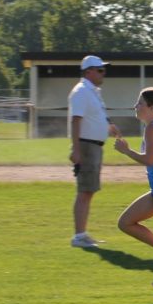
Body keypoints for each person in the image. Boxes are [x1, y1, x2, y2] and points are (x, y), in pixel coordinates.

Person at [112, 87, 153, 276]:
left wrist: (126, 151)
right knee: (125, 222)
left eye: (140, 103)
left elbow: (149, 160)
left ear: (151, 107)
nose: (136, 106)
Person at [68, 54, 116, 248]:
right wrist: (76, 149)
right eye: (100, 70)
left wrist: (109, 127)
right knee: (85, 190)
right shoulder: (81, 91)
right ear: (88, 71)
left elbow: (96, 116)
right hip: (86, 146)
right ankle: (79, 236)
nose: (103, 73)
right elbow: (76, 120)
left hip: (93, 146)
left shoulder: (92, 91)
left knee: (89, 191)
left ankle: (82, 233)